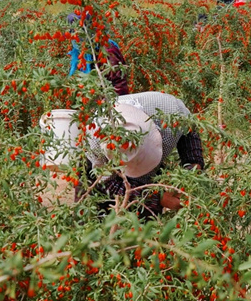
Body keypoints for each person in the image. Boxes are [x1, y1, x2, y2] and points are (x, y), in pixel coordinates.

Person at [83, 91, 205, 219]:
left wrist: (193, 165)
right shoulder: (94, 141)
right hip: (107, 175)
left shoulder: (171, 111)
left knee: (147, 220)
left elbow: (189, 129)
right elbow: (107, 184)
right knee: (101, 216)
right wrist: (158, 198)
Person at [67, 13, 129, 95]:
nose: (76, 39)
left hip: (112, 102)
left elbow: (119, 85)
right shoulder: (79, 53)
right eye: (74, 35)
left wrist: (105, 103)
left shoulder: (108, 51)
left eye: (79, 35)